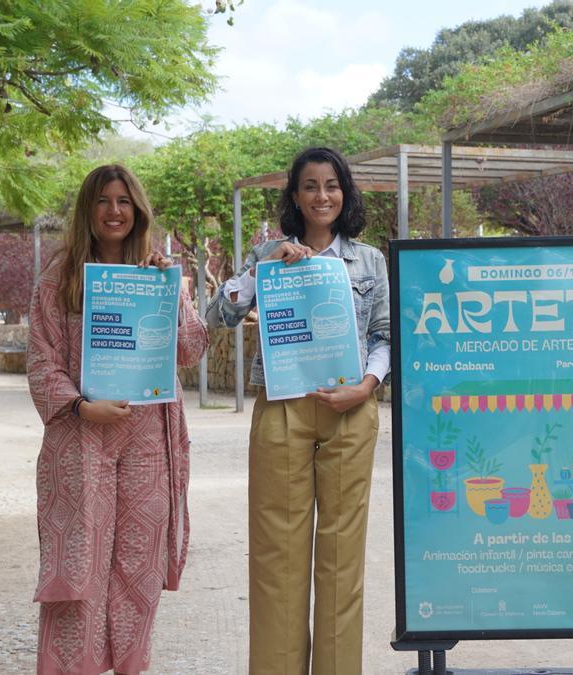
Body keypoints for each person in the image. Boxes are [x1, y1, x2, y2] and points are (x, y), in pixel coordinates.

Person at [207, 146, 390, 675]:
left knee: (341, 560)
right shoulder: (267, 255)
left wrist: (366, 386)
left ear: (344, 193)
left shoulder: (369, 261)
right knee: (277, 559)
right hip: (282, 408)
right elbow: (218, 315)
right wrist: (261, 271)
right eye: (310, 185)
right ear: (294, 195)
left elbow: (385, 336)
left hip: (349, 411)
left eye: (331, 185)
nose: (321, 196)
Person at [26, 164, 208, 674]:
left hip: (148, 440)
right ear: (88, 209)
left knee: (138, 567)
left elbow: (191, 349)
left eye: (124, 201)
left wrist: (172, 289)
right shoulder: (59, 277)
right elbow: (41, 359)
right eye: (103, 201)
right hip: (82, 437)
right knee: (78, 567)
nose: (113, 211)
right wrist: (82, 406)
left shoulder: (156, 273)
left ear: (137, 210)